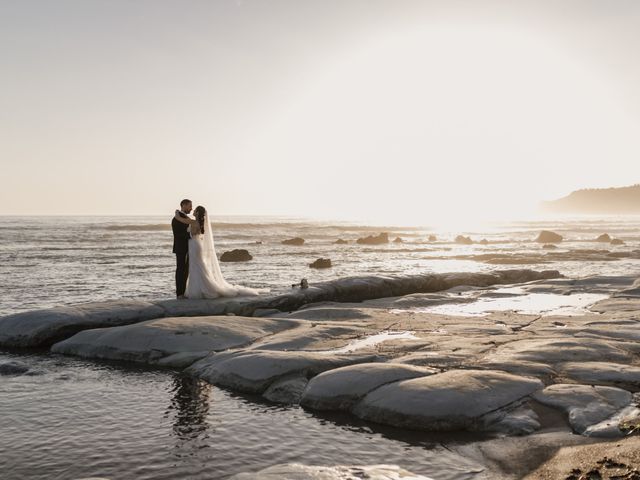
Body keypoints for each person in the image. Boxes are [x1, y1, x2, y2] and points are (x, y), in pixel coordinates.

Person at [173, 205, 262, 299]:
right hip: (195, 245)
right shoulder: (198, 222)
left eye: (195, 210)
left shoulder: (194, 222)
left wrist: (177, 215)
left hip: (194, 246)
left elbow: (181, 219)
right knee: (197, 266)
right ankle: (198, 288)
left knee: (196, 266)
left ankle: (199, 289)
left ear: (198, 213)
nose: (193, 211)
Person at [172, 199, 192, 299]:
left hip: (188, 248)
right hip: (181, 248)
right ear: (183, 205)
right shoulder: (177, 219)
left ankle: (183, 292)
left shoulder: (184, 217)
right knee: (180, 270)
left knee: (186, 270)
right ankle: (179, 293)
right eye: (189, 206)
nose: (191, 208)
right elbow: (178, 234)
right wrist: (191, 235)